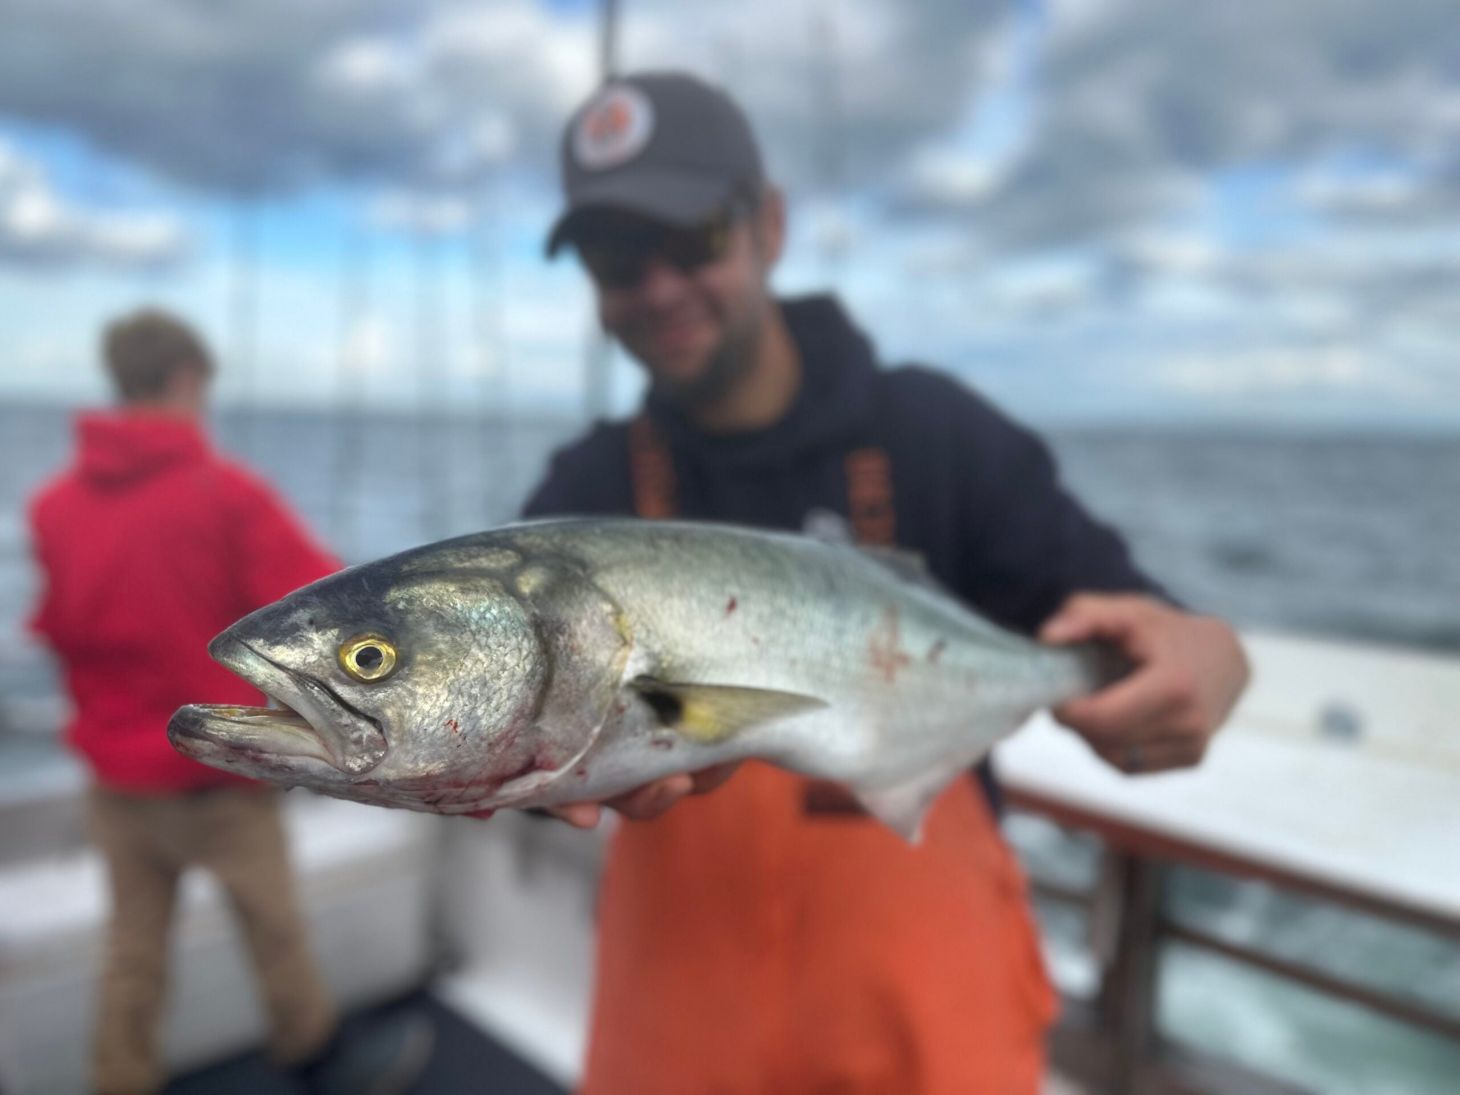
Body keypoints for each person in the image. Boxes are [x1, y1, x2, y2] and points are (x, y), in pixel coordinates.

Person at [523, 72, 1251, 1093]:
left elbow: (1131, 616)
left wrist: (1201, 658)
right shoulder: (583, 493)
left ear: (767, 225)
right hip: (681, 1016)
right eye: (614, 257)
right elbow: (508, 716)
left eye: (690, 239)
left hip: (921, 1007)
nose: (656, 287)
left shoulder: (935, 435)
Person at [25, 310, 431, 1095]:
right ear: (184, 381)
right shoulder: (231, 496)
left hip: (117, 782)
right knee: (274, 931)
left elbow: (60, 627)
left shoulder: (52, 508)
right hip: (220, 777)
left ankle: (120, 1079)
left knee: (131, 954)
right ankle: (313, 1057)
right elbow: (333, 617)